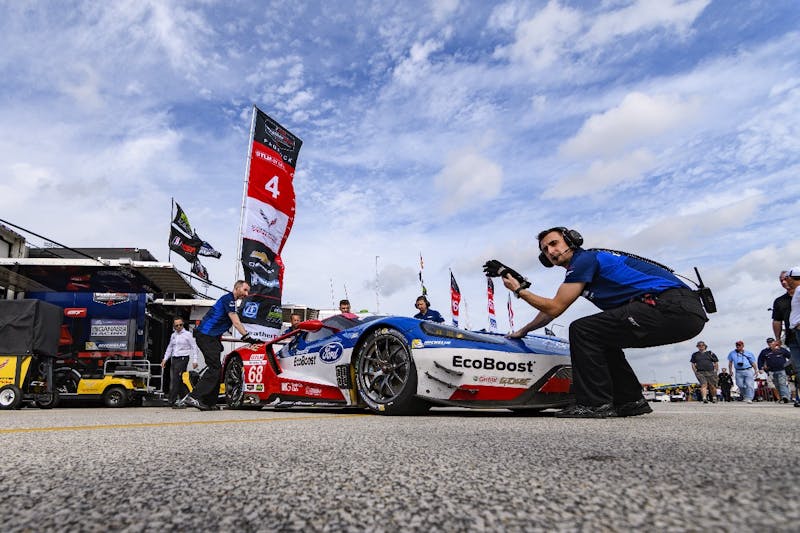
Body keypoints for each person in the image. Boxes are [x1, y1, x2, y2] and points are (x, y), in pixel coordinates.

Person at [487, 227, 707, 418]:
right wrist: (524, 329)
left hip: (671, 306)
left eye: (554, 243)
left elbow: (554, 307)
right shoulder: (583, 268)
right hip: (683, 313)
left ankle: (594, 404)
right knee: (601, 337)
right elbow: (552, 312)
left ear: (571, 240)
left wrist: (518, 290)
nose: (550, 251)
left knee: (583, 330)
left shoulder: (584, 260)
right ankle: (629, 401)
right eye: (545, 250)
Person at [182, 280, 257, 411]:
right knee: (215, 367)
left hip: (212, 338)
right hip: (206, 336)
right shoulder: (228, 299)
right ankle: (194, 396)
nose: (246, 294)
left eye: (247, 292)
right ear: (237, 288)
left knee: (217, 369)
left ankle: (209, 402)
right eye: (245, 290)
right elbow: (236, 322)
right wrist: (247, 337)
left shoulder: (231, 302)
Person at [161, 317, 199, 407]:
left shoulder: (187, 335)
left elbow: (194, 347)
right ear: (174, 326)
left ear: (183, 324)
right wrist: (165, 359)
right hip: (174, 358)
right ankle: (186, 398)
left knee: (176, 379)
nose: (179, 327)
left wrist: (195, 360)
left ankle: (172, 400)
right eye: (176, 325)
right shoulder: (173, 335)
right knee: (178, 380)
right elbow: (170, 347)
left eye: (180, 325)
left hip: (183, 358)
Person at [760, 338, 791, 403]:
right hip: (771, 371)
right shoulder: (764, 351)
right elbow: (760, 360)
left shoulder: (782, 350)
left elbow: (790, 357)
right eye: (768, 342)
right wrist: (760, 368)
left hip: (782, 370)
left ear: (774, 342)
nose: (770, 343)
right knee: (776, 385)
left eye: (771, 342)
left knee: (782, 383)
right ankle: (781, 398)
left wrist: (790, 367)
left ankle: (785, 397)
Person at [786, 266, 800, 406]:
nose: (786, 281)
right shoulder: (797, 291)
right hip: (795, 331)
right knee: (798, 367)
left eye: (787, 278)